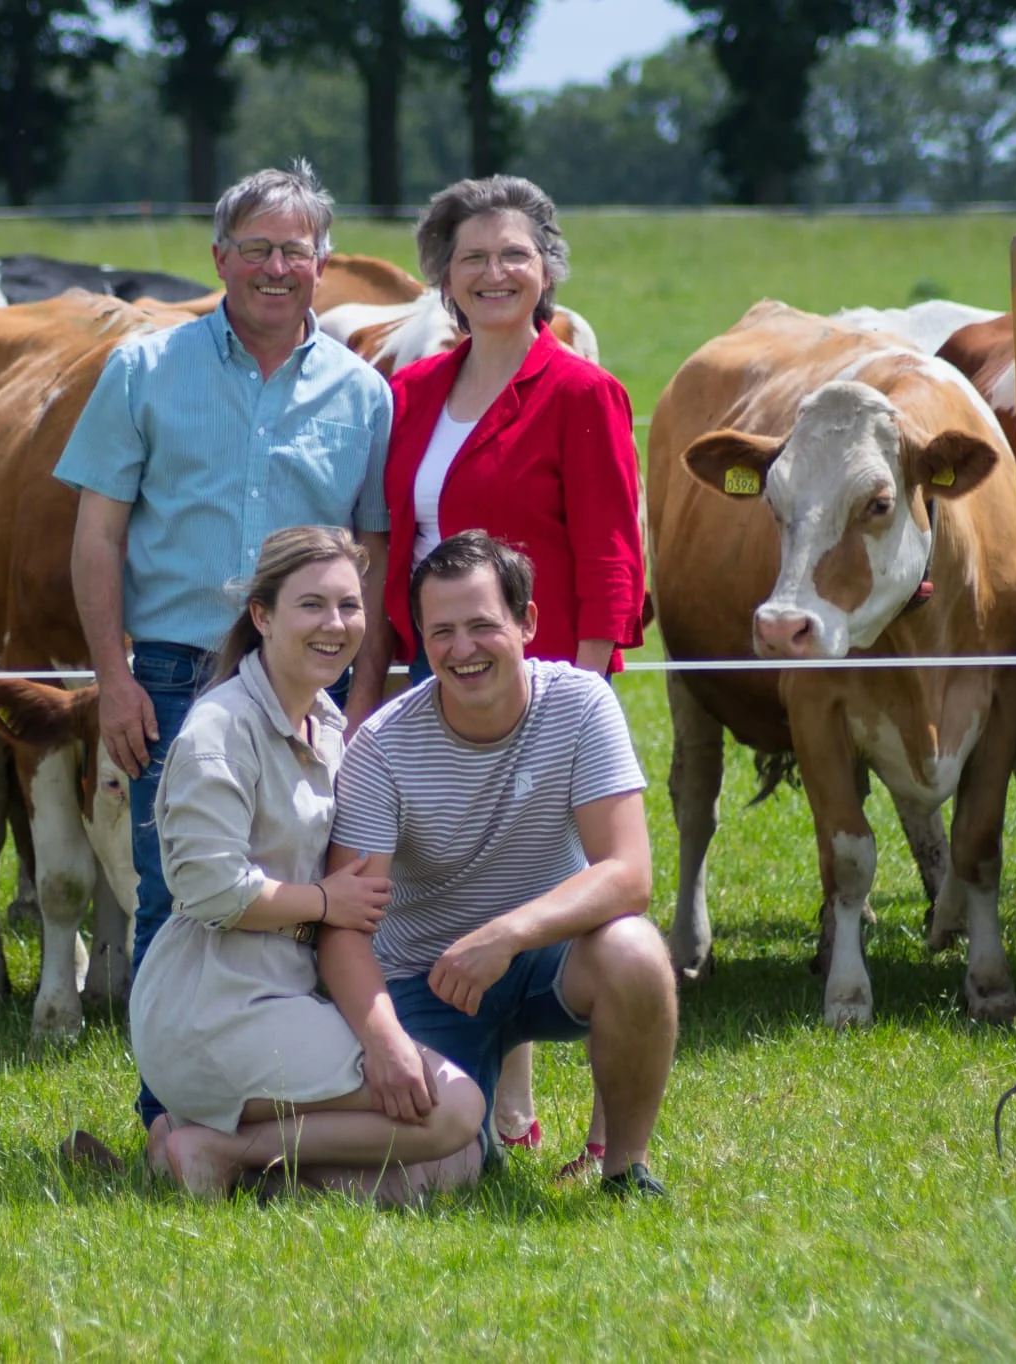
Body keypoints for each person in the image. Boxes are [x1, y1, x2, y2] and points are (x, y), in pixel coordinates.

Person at [54, 161, 395, 1135]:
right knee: (181, 889)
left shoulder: (360, 392)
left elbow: (367, 550)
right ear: (218, 259)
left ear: (322, 265)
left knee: (308, 887)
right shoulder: (142, 369)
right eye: (256, 248)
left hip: (305, 674)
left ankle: (280, 1091)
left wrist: (361, 691)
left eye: (295, 249)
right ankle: (172, 1113)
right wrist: (112, 678)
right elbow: (96, 533)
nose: (275, 267)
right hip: (168, 665)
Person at [384, 175, 646, 1155]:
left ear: (545, 271)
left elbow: (613, 554)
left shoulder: (581, 390)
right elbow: (391, 543)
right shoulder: (408, 393)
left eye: (513, 255)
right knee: (451, 887)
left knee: (558, 892)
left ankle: (607, 1130)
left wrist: (579, 692)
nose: (493, 273)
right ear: (442, 281)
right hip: (431, 678)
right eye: (471, 258)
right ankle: (503, 1115)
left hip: (541, 687)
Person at [131, 526, 484, 1201]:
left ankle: (201, 1154)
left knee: (453, 1166)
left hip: (287, 998)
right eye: (312, 605)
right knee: (456, 1109)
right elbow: (208, 889)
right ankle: (226, 1145)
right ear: (261, 616)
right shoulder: (219, 729)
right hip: (214, 1008)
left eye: (350, 606)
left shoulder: (324, 723)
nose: (336, 624)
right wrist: (323, 903)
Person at [320, 532, 676, 1198]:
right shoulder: (381, 748)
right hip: (423, 981)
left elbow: (629, 873)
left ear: (528, 622)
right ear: (418, 639)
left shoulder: (581, 703)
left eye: (483, 625)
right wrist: (386, 1042)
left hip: (546, 961)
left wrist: (506, 936)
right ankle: (239, 1164)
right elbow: (344, 927)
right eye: (442, 632)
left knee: (636, 949)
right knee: (443, 1178)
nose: (462, 650)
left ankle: (626, 1168)